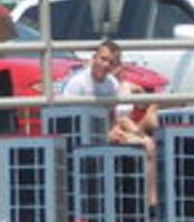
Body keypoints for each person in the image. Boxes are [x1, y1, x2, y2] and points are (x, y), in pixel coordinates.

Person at [60, 39, 159, 209]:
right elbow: (68, 122)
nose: (105, 65)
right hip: (81, 139)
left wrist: (117, 131)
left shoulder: (111, 84)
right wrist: (105, 133)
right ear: (94, 58)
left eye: (110, 62)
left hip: (106, 135)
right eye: (103, 59)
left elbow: (113, 119)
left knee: (148, 145)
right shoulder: (77, 84)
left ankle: (151, 206)